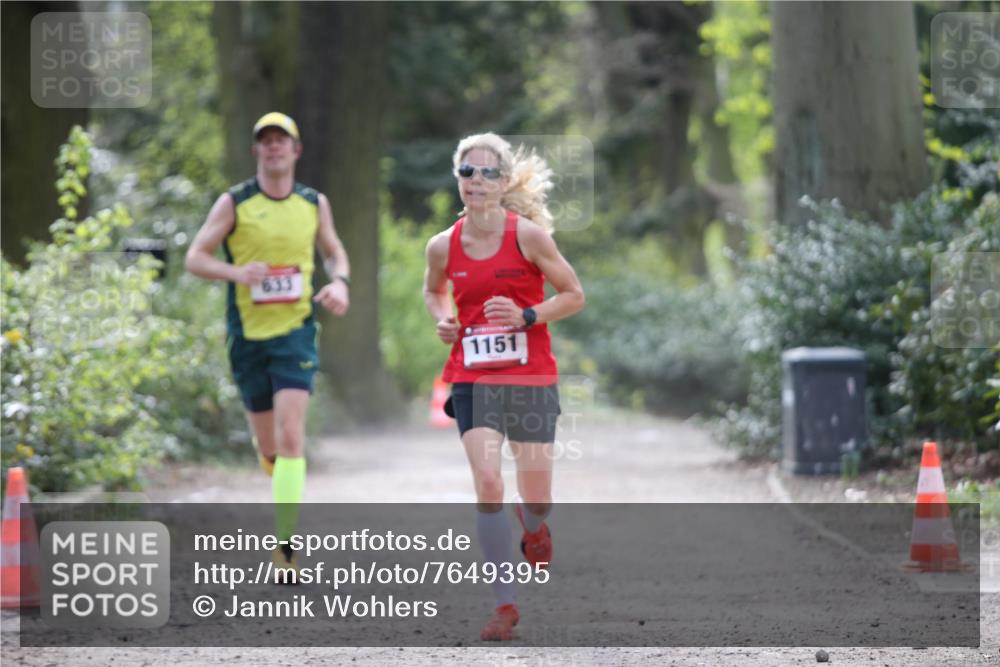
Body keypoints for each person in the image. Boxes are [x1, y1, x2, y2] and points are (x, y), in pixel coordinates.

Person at [423, 132, 585, 641]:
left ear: (505, 180)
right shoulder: (442, 245)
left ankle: (533, 527)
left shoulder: (530, 237)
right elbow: (433, 291)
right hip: (472, 378)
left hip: (531, 375)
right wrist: (444, 318)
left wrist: (527, 315)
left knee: (536, 498)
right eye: (467, 172)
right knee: (489, 482)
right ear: (458, 179)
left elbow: (574, 294)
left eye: (488, 172)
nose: (476, 181)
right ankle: (504, 605)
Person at [185, 112, 351, 576]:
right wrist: (237, 272)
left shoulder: (313, 203)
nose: (274, 148)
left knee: (292, 434)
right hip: (247, 336)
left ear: (296, 151)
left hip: (295, 330)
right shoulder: (234, 202)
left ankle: (285, 546)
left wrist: (340, 283)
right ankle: (280, 480)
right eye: (266, 141)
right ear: (257, 150)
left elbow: (334, 250)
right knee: (270, 447)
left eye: (283, 141)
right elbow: (195, 257)